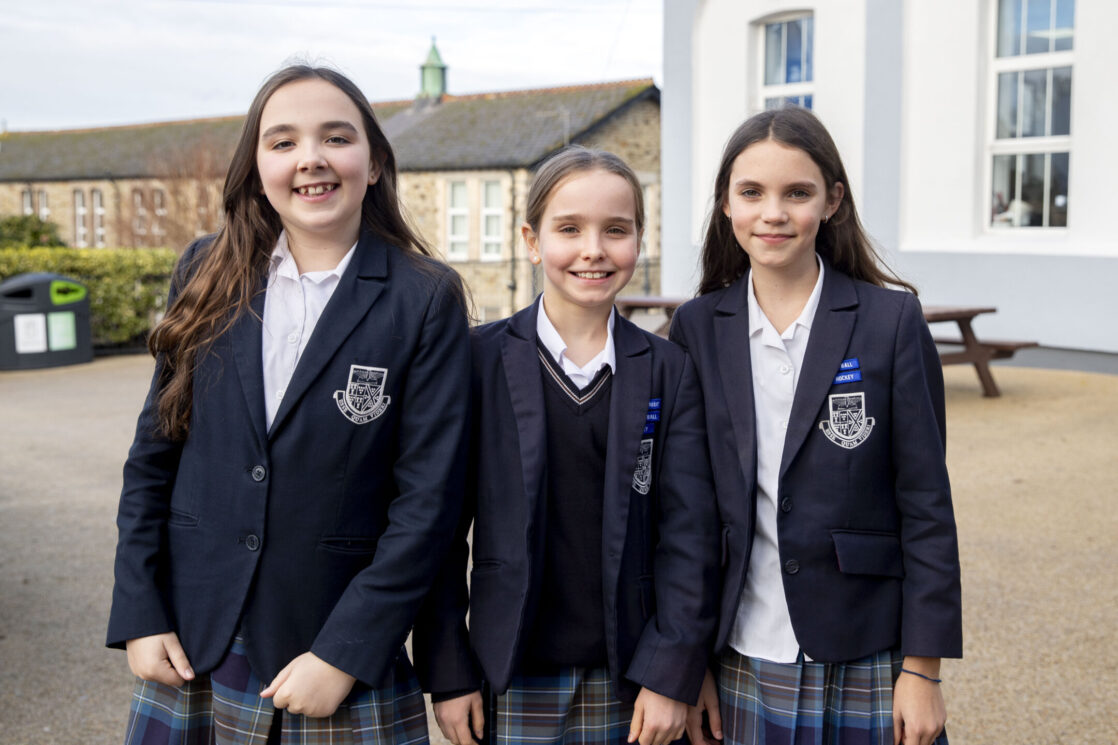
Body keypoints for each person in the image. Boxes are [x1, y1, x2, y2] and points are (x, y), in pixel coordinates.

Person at [106, 64, 471, 744]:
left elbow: (430, 503)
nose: (311, 158)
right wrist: (139, 610)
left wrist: (345, 652)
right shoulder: (204, 271)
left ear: (374, 163)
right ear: (256, 167)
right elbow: (153, 458)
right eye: (283, 142)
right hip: (195, 637)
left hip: (332, 650)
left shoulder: (424, 296)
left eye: (336, 137)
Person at [669, 107, 962, 745]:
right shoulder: (696, 327)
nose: (772, 213)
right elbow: (686, 512)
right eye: (752, 192)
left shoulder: (891, 321)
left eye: (797, 193)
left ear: (832, 201)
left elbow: (926, 503)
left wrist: (924, 669)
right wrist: (688, 665)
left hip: (868, 641)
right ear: (726, 203)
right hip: (741, 645)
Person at [412, 146, 719, 745]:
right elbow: (438, 532)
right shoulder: (475, 361)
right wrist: (449, 673)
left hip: (634, 678)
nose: (593, 250)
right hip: (510, 673)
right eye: (569, 229)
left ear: (640, 240)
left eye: (616, 230)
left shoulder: (669, 369)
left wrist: (671, 673)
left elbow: (690, 539)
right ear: (532, 241)